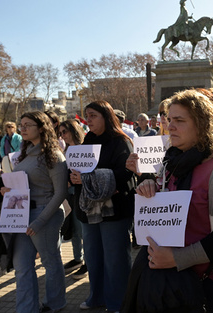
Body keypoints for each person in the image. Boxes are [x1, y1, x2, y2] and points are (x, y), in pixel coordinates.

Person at [123, 89, 213, 313]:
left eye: (179, 120)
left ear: (202, 124)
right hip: (162, 283)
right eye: (169, 119)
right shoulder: (170, 161)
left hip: (205, 285)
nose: (169, 126)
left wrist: (177, 258)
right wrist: (148, 184)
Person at [70, 100, 136, 313]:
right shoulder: (87, 140)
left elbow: (126, 174)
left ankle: (118, 303)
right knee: (93, 256)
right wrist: (73, 177)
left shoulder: (121, 142)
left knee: (115, 258)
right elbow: (79, 170)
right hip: (88, 209)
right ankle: (96, 297)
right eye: (86, 116)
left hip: (114, 210)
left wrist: (88, 179)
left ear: (106, 117)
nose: (87, 120)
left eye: (92, 116)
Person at [0, 111, 67, 313]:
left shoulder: (53, 155)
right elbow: (24, 186)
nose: (23, 128)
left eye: (28, 124)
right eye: (21, 125)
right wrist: (8, 191)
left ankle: (55, 304)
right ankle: (27, 309)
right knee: (22, 268)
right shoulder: (23, 155)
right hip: (21, 215)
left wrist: (39, 222)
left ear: (41, 127)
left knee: (50, 262)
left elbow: (61, 192)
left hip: (44, 216)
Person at [58, 119, 88, 280]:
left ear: (73, 130)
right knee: (75, 230)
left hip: (83, 193)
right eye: (61, 133)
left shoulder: (84, 147)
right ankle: (78, 258)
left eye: (65, 132)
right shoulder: (67, 149)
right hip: (70, 194)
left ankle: (87, 263)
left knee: (83, 230)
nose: (63, 136)